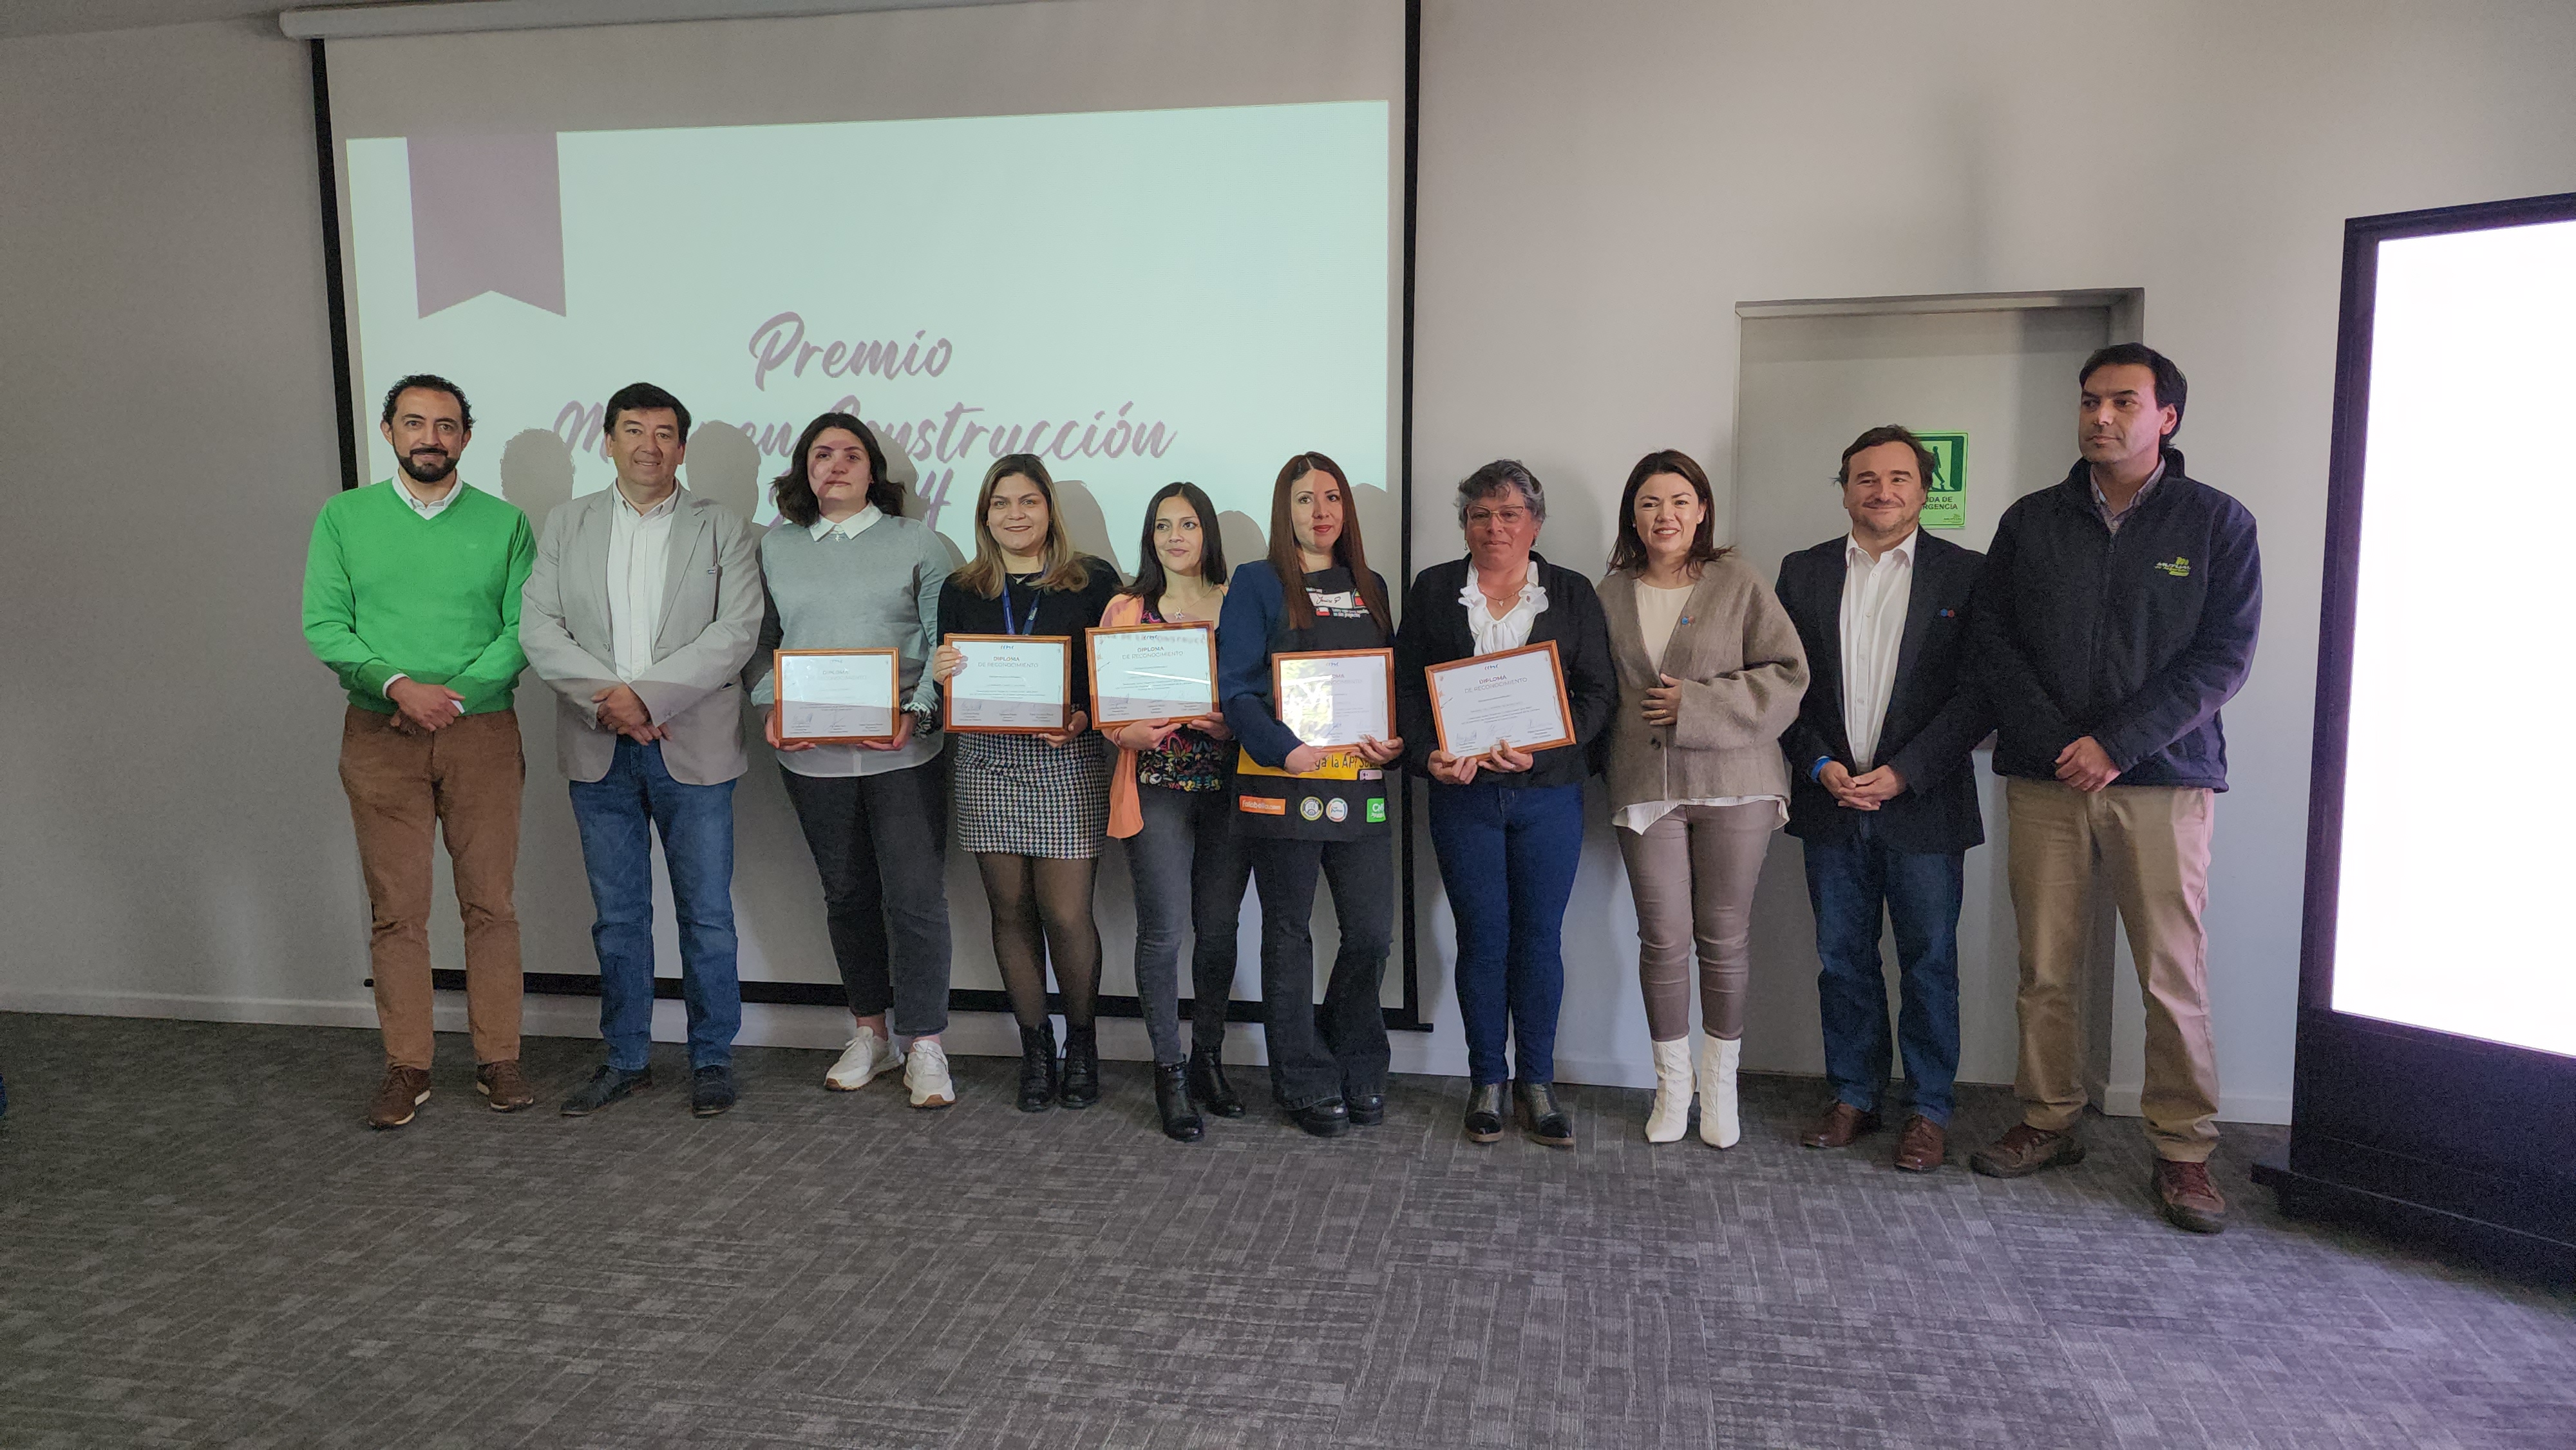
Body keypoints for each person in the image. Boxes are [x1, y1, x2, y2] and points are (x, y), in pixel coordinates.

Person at [1968, 344, 2261, 1234]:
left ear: (2166, 417)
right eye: (2090, 401)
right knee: (2046, 966)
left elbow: (2225, 658)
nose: (2101, 416)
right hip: (2049, 778)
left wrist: (2118, 744)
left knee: (2172, 975)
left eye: (2122, 402)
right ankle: (2051, 1118)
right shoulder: (2032, 521)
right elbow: (1993, 638)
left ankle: (2183, 1151)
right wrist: (2066, 744)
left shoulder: (2217, 524)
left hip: (2164, 782)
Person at [520, 382, 762, 1119]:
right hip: (600, 748)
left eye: (664, 433)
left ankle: (711, 1054)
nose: (648, 445)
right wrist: (615, 703)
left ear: (680, 448)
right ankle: (626, 1055)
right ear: (608, 440)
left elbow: (736, 631)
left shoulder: (723, 527)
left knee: (707, 915)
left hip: (694, 747)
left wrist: (648, 699)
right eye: (633, 430)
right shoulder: (568, 523)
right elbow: (540, 629)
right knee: (618, 916)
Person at [301, 373, 537, 1129]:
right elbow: (326, 625)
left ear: (465, 436)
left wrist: (455, 694)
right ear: (388, 431)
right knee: (396, 911)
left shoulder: (505, 523)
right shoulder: (344, 517)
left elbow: (521, 628)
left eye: (444, 424)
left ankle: (499, 1057)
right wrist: (401, 686)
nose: (428, 437)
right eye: (413, 423)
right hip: (381, 733)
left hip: (482, 733)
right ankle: (407, 1065)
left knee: (490, 905)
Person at [1776, 426, 1993, 1173]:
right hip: (1831, 801)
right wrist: (1820, 764)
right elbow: (1781, 685)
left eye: (1898, 477)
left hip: (1923, 805)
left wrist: (1905, 771)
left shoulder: (1967, 575)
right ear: (1844, 490)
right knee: (1842, 959)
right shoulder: (1801, 573)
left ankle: (1928, 1108)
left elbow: (1979, 694)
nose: (1882, 490)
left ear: (1923, 490)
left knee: (1929, 960)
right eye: (1865, 478)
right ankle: (1853, 1095)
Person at [1394, 460, 1616, 1147]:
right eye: (1480, 514)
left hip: (1546, 796)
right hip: (1463, 799)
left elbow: (1598, 696)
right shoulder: (1434, 589)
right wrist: (1428, 752)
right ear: (1464, 523)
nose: (1494, 526)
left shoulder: (1573, 592)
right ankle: (1486, 1077)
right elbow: (1404, 689)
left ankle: (1538, 1081)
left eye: (1509, 513)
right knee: (1481, 937)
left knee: (1538, 938)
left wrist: (1542, 753)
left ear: (1536, 522)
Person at [746, 415, 960, 1109]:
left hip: (904, 752)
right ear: (802, 469)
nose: (834, 465)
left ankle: (925, 1041)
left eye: (850, 454)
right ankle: (870, 1030)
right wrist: (773, 703)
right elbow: (762, 641)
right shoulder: (777, 548)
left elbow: (945, 640)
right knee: (846, 896)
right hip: (814, 761)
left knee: (916, 898)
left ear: (874, 471)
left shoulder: (919, 541)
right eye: (820, 454)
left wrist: (915, 712)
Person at [1597, 449, 1808, 1148]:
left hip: (1734, 783)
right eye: (1651, 502)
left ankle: (1720, 1090)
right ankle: (1671, 1086)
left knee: (1722, 939)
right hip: (1645, 785)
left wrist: (1699, 703)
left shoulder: (1738, 580)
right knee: (1661, 939)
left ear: (1702, 509)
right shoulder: (1609, 591)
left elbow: (1788, 674)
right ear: (1633, 512)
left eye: (1680, 501)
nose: (1666, 515)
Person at [1216, 452, 1405, 1139]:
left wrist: (1396, 740)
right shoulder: (1257, 581)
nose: (1320, 511)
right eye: (1304, 499)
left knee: (1370, 934)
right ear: (1283, 510)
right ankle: (1300, 1074)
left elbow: (1389, 687)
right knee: (1288, 937)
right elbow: (1235, 688)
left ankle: (1354, 1054)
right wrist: (1284, 749)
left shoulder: (1372, 584)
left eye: (1331, 497)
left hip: (1359, 786)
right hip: (1281, 783)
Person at [932, 455, 1121, 1113]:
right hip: (985, 761)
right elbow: (950, 682)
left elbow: (1114, 673)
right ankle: (1035, 1047)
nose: (1016, 514)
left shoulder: (1093, 578)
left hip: (1064, 760)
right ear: (985, 515)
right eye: (1001, 503)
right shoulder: (961, 587)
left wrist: (1084, 716)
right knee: (1009, 913)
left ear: (1049, 509)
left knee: (1066, 914)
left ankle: (1083, 1043)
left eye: (1028, 501)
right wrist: (940, 669)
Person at [1099, 482, 1251, 1142]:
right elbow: (1108, 706)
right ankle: (1169, 1069)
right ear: (1150, 537)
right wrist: (1122, 734)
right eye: (1162, 526)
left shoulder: (1237, 602)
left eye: (1188, 524)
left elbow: (1262, 692)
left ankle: (1208, 1058)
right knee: (1162, 932)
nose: (1175, 536)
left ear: (1207, 532)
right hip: (1155, 786)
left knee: (1217, 930)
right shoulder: (1127, 607)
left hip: (1228, 790)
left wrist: (1233, 726)